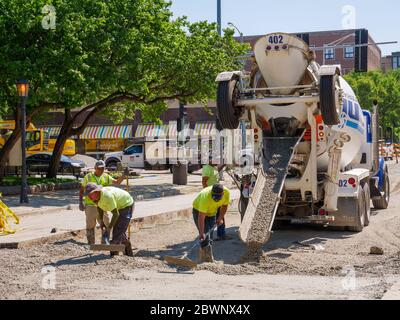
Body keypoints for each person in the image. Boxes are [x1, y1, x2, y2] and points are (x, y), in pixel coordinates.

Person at [79, 160, 128, 244]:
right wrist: (80, 201)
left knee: (106, 222)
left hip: (102, 204)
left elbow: (117, 182)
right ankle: (91, 243)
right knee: (90, 224)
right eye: (99, 168)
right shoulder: (88, 177)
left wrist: (124, 175)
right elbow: (81, 189)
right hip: (90, 205)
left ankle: (104, 242)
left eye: (102, 168)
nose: (101, 170)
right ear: (95, 168)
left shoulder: (106, 176)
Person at [85, 183, 135, 257]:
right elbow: (100, 207)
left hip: (127, 205)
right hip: (119, 206)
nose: (89, 197)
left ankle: (114, 256)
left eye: (90, 194)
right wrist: (101, 222)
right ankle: (129, 253)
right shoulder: (95, 198)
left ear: (97, 192)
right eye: (88, 195)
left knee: (117, 231)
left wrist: (109, 228)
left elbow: (116, 214)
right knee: (119, 231)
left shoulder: (107, 196)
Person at [192, 184, 230, 263]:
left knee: (210, 237)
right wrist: (201, 233)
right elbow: (201, 217)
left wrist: (219, 218)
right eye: (214, 196)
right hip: (198, 211)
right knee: (205, 236)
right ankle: (203, 259)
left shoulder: (226, 193)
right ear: (211, 193)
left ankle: (209, 259)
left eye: (218, 197)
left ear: (222, 194)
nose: (215, 199)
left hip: (212, 212)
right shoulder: (205, 197)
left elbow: (224, 206)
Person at [201, 160, 232, 241]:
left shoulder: (213, 167)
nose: (217, 161)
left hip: (217, 195)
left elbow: (217, 170)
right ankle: (213, 236)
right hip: (212, 196)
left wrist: (224, 164)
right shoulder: (207, 168)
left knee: (220, 215)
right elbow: (204, 182)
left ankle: (220, 234)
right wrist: (209, 196)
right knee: (215, 216)